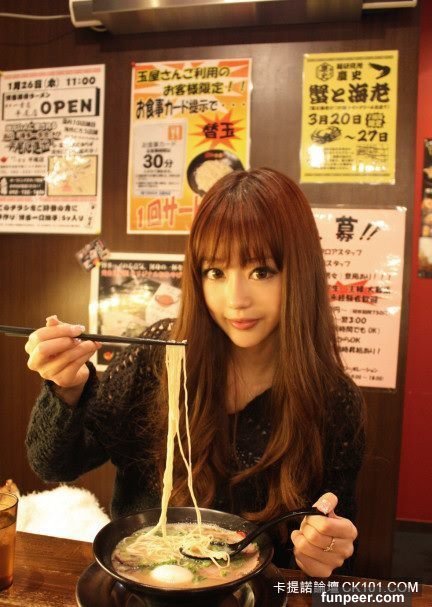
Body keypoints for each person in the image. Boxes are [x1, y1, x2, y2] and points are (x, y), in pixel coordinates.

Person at [24, 167, 364, 577]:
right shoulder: (159, 357)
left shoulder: (334, 401)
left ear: (300, 272)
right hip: (140, 583)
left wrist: (324, 549)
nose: (235, 299)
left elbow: (335, 538)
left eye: (261, 271)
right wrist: (66, 389)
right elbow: (54, 465)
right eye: (215, 272)